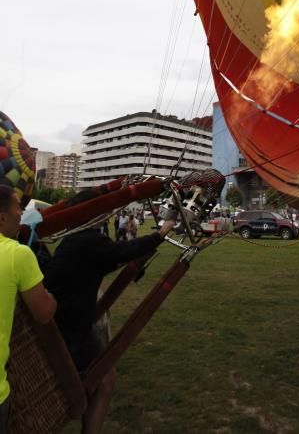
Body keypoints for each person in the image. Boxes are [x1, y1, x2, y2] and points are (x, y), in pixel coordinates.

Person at [44, 218, 175, 434]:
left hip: (68, 325)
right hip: (70, 330)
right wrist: (158, 235)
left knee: (100, 378)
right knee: (103, 378)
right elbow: (119, 252)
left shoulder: (72, 242)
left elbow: (111, 259)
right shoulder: (88, 241)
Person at [0, 185, 57, 433]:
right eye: (18, 210)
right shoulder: (18, 255)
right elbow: (44, 312)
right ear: (2, 217)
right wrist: (52, 297)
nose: (21, 215)